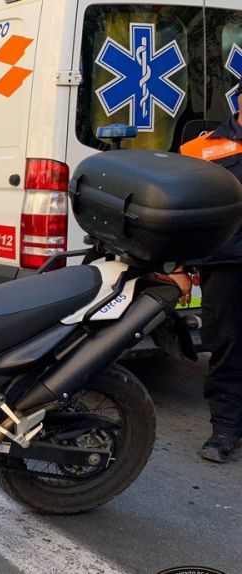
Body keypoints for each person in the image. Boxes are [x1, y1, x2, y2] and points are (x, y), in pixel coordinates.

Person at [179, 83, 242, 463]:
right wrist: (180, 267)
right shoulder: (203, 150)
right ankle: (226, 431)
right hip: (227, 267)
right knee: (227, 348)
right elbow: (186, 214)